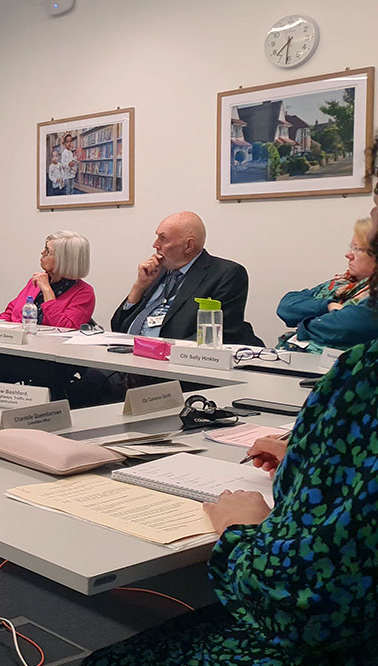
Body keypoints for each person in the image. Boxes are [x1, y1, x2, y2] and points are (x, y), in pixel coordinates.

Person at [84, 202, 378, 665]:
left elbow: (306, 603)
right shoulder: (158, 276)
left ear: (189, 244)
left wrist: (243, 528)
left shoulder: (363, 376)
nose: (154, 246)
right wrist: (307, 457)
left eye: (368, 238)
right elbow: (123, 326)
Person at [110, 211, 263, 346]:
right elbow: (117, 327)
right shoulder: (156, 271)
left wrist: (158, 351)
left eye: (163, 239)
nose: (155, 245)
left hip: (170, 362)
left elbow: (217, 337)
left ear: (189, 245)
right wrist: (139, 287)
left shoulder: (226, 274)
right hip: (127, 354)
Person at [276, 218, 377, 353]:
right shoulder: (340, 284)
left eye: (357, 249)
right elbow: (287, 306)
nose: (348, 255)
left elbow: (346, 326)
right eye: (351, 248)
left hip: (333, 362)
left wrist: (304, 325)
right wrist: (327, 306)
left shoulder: (373, 294)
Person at [0, 230, 95, 328]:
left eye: (48, 251)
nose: (42, 252)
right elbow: (10, 312)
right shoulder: (38, 280)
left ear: (64, 260)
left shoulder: (84, 292)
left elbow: (65, 328)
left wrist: (47, 290)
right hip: (21, 335)